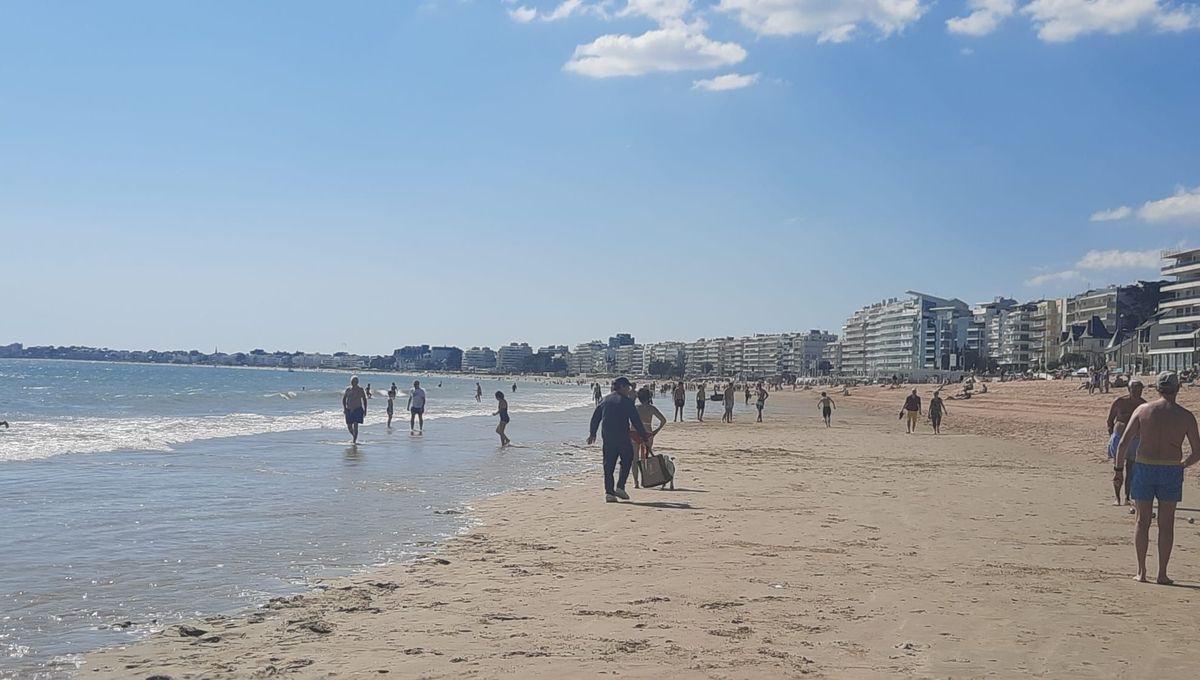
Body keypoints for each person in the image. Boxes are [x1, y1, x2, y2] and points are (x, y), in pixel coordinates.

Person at [1115, 372, 1200, 584]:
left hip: (1145, 466)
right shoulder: (1185, 416)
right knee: (1166, 523)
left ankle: (1141, 571)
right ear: (1177, 388)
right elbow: (1197, 451)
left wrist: (1118, 470)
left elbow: (1123, 443)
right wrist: (1183, 465)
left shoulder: (1143, 410)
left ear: (1157, 389)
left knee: (1142, 520)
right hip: (1171, 469)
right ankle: (1162, 573)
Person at [587, 377, 652, 503]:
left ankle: (609, 493)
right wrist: (644, 438)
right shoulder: (626, 402)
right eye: (627, 387)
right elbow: (636, 421)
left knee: (608, 465)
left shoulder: (605, 400)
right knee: (627, 459)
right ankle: (620, 487)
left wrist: (592, 433)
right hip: (622, 437)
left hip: (608, 438)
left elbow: (595, 417)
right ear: (622, 387)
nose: (629, 390)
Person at [1107, 379, 1146, 505]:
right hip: (1119, 438)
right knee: (1118, 468)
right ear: (1129, 390)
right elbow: (1110, 420)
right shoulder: (1120, 402)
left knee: (1131, 469)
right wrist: (1112, 436)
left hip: (1135, 439)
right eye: (1134, 390)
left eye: (1139, 390)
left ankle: (1127, 497)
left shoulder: (1143, 405)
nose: (1137, 392)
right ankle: (1117, 497)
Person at [630, 387, 667, 488]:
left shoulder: (635, 408)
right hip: (647, 433)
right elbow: (663, 420)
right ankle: (644, 480)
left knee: (634, 459)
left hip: (634, 432)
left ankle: (636, 482)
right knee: (644, 458)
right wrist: (656, 431)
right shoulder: (651, 408)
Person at [342, 376, 368, 444]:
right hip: (349, 409)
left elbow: (364, 400)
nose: (353, 383)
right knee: (349, 426)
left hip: (358, 409)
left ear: (357, 382)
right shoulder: (348, 389)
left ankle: (354, 441)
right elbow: (344, 399)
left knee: (356, 425)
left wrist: (365, 410)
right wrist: (344, 408)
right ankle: (354, 436)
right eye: (352, 381)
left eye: (355, 381)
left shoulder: (360, 390)